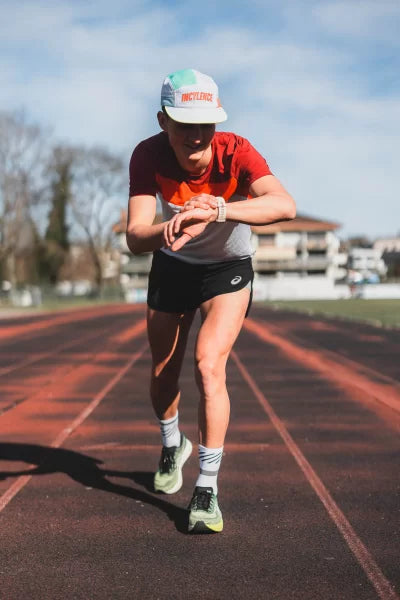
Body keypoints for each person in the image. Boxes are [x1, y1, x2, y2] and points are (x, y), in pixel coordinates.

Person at [126, 68, 296, 533]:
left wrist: (218, 209)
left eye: (207, 124)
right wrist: (172, 226)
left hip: (228, 270)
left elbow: (284, 205)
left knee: (207, 365)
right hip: (173, 265)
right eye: (185, 124)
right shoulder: (148, 155)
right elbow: (135, 235)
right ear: (164, 122)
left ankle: (206, 487)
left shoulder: (237, 151)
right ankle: (171, 443)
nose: (197, 136)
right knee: (163, 376)